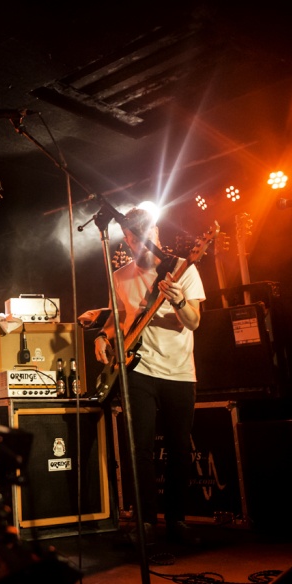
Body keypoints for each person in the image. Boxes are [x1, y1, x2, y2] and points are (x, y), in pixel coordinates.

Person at [93, 207, 205, 546]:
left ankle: (176, 520)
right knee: (139, 447)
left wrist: (180, 301)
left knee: (178, 449)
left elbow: (194, 322)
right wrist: (103, 336)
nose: (140, 244)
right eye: (133, 239)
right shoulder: (120, 276)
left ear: (155, 233)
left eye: (146, 236)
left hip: (179, 371)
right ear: (127, 239)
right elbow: (117, 316)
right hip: (138, 368)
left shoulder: (183, 269)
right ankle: (144, 521)